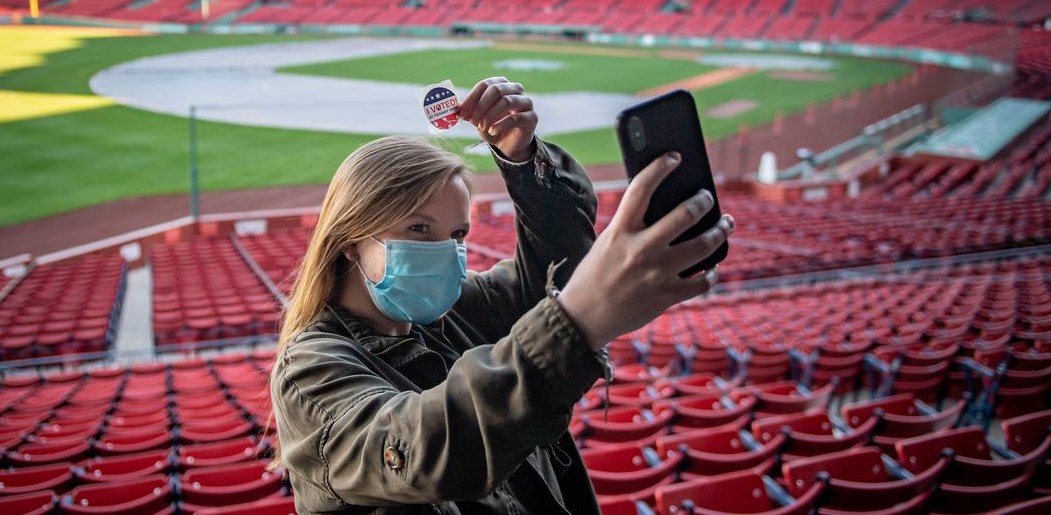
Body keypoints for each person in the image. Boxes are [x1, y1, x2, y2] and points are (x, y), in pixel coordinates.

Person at [270, 77, 735, 513]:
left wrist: (523, 159)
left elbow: (554, 278)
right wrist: (576, 320)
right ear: (350, 239)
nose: (443, 250)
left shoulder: (459, 311)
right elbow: (418, 450)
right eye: (418, 228)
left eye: (456, 234)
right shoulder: (311, 369)